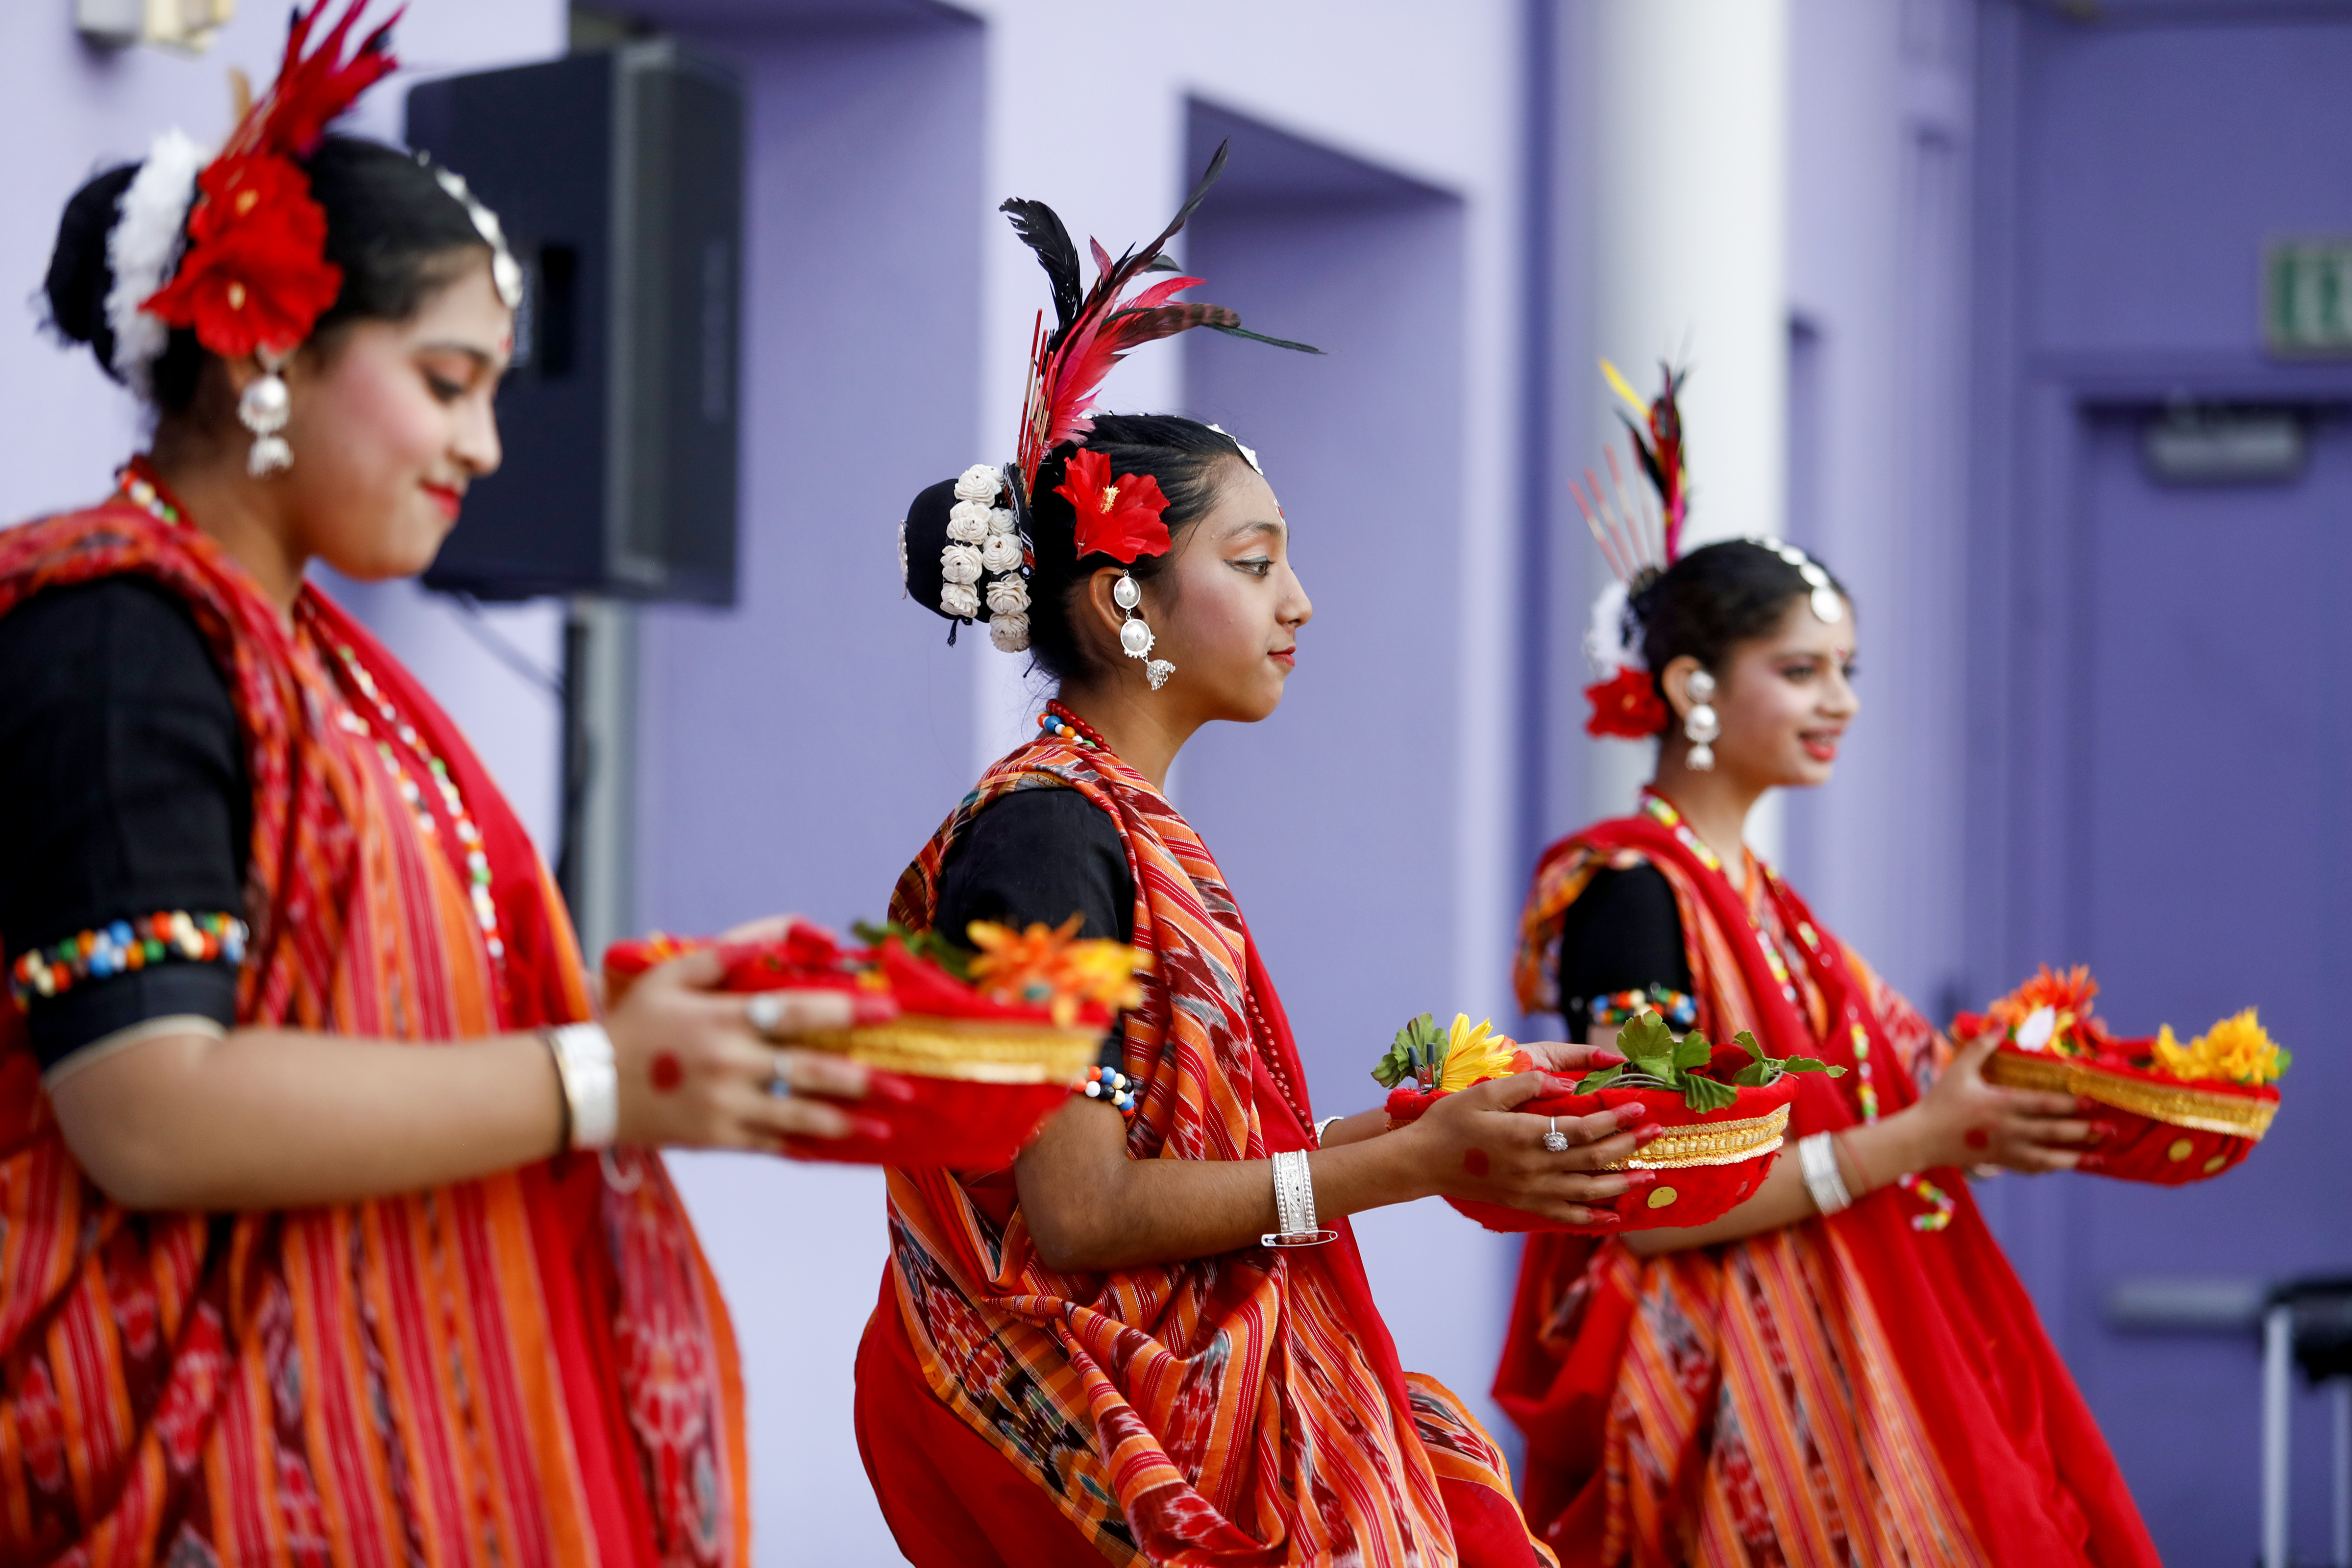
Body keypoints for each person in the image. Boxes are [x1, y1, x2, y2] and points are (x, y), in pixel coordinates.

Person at [0, 6, 884, 1561]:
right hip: (171, 1479)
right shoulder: (118, 635)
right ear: (273, 351)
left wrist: (664, 1029)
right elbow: (146, 1108)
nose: (483, 444)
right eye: (448, 378)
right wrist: (601, 1078)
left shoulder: (314, 664)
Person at [851, 153, 1654, 1568]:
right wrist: (1401, 1169)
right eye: (1255, 559)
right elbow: (1081, 1210)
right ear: (1124, 603)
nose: (1298, 602)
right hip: (1138, 1441)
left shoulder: (1122, 824)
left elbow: (1195, 1162)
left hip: (1224, 1396)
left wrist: (1447, 1141)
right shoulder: (1052, 836)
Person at [1493, 368, 2160, 1566]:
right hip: (1722, 1407)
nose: (1840, 701)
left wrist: (2002, 1109)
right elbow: (1652, 1197)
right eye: (1801, 671)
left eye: (1847, 669)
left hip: (1830, 1375)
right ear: (1695, 685)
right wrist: (1920, 1137)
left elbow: (1899, 1094)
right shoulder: (1630, 894)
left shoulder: (1769, 909)